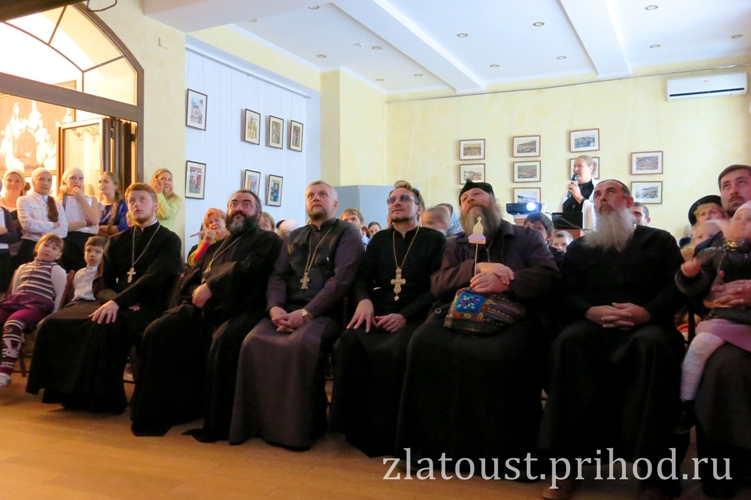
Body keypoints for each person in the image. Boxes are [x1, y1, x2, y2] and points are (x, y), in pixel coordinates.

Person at [396, 180, 559, 478]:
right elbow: (438, 284)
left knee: (503, 353)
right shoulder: (455, 243)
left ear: (493, 202)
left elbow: (549, 277)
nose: (470, 200)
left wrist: (506, 281)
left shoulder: (525, 237)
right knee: (424, 341)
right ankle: (430, 450)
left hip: (515, 317)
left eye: (477, 195)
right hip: (460, 313)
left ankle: (505, 457)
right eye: (465, 198)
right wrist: (474, 269)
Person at [538, 180, 685, 500]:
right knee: (568, 344)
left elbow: (676, 287)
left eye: (610, 192)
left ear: (628, 201)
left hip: (647, 325)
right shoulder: (580, 247)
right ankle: (566, 467)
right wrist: (589, 311)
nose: (602, 198)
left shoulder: (659, 240)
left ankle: (654, 476)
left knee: (651, 348)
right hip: (593, 326)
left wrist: (646, 312)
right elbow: (564, 292)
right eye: (597, 195)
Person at [131, 190, 281, 438]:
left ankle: (218, 421)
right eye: (234, 204)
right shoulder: (218, 245)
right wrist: (195, 291)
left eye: (246, 204)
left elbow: (249, 269)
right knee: (159, 330)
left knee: (223, 341)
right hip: (204, 309)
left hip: (242, 308)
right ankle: (161, 411)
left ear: (258, 212)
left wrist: (212, 286)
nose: (239, 208)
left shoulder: (268, 240)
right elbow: (193, 275)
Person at [229, 181, 364, 449]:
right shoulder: (294, 236)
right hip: (286, 310)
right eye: (311, 195)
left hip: (325, 314)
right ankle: (258, 424)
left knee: (300, 345)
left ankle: (298, 430)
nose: (316, 198)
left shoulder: (347, 233)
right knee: (252, 341)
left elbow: (340, 281)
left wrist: (306, 313)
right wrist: (274, 307)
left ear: (334, 204)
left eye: (323, 194)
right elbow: (278, 275)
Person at [26, 182, 182, 413]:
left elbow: (155, 278)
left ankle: (106, 399)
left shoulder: (169, 240)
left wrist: (120, 302)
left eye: (143, 200)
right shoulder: (118, 240)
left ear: (154, 205)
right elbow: (102, 282)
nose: (137, 205)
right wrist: (114, 300)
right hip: (115, 302)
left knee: (105, 325)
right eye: (132, 201)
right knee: (54, 322)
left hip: (149, 305)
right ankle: (69, 393)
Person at [330, 181, 445, 457]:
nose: (396, 203)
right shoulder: (381, 240)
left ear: (419, 208)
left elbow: (435, 287)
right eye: (392, 200)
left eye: (404, 198)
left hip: (416, 314)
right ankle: (355, 426)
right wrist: (365, 301)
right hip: (379, 309)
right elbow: (361, 278)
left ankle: (395, 432)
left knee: (398, 350)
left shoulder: (434, 240)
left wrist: (404, 315)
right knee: (348, 342)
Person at [691, 165, 751, 498]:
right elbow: (693, 292)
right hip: (728, 328)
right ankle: (723, 471)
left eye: (741, 182)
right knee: (723, 367)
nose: (733, 190)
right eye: (726, 185)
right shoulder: (712, 243)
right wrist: (704, 293)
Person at [674, 201, 751, 434]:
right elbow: (699, 287)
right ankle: (685, 403)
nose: (741, 224)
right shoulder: (714, 251)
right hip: (724, 318)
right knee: (698, 349)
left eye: (749, 220)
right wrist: (690, 276)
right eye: (737, 219)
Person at [0, 233, 66, 387]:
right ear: (37, 248)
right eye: (45, 245)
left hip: (37, 306)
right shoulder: (23, 267)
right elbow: (15, 291)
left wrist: (52, 316)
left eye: (54, 248)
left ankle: (5, 371)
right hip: (16, 302)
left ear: (58, 255)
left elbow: (60, 295)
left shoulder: (56, 269)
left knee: (13, 323)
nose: (48, 249)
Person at [16, 168, 67, 266]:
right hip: (30, 246)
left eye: (49, 180)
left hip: (52, 249)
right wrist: (52, 225)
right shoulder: (24, 200)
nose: (45, 183)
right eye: (41, 179)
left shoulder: (57, 204)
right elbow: (27, 224)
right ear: (33, 181)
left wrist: (43, 235)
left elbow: (64, 230)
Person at [60, 167, 100, 271]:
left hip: (87, 241)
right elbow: (63, 227)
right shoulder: (59, 201)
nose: (77, 181)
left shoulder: (92, 199)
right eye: (73, 178)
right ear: (65, 181)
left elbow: (95, 220)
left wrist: (81, 198)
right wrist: (85, 222)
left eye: (80, 178)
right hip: (68, 241)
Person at [557, 155, 598, 230]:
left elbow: (597, 213)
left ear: (590, 168)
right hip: (568, 233)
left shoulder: (597, 189)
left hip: (588, 234)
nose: (575, 169)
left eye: (580, 166)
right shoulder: (568, 192)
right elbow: (559, 215)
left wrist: (579, 197)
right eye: (574, 166)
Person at [68, 236, 106, 306]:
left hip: (93, 303)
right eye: (88, 250)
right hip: (76, 303)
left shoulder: (104, 274)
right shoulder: (79, 273)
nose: (92, 254)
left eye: (98, 252)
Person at [97, 172, 128, 237]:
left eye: (106, 181)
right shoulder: (97, 205)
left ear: (115, 185)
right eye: (100, 182)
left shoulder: (122, 205)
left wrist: (100, 228)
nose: (101, 184)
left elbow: (123, 227)